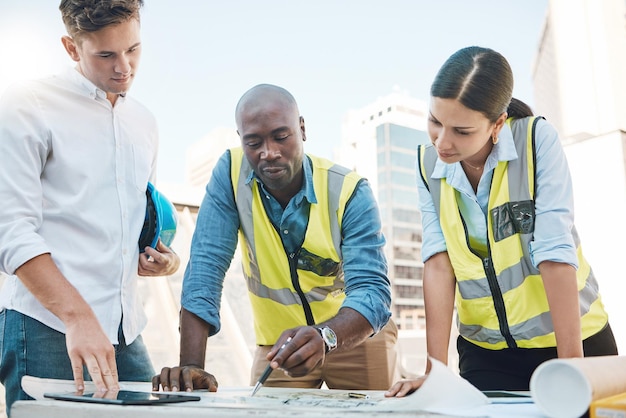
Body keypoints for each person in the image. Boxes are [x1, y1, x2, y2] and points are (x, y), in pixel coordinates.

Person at [386, 46, 618, 397]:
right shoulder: (426, 163)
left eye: (461, 131)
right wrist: (436, 374)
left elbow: (555, 250)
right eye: (435, 121)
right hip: (487, 353)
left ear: (497, 124)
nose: (442, 142)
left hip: (573, 344)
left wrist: (574, 367)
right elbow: (438, 263)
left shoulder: (536, 139)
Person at [153, 83, 397, 393]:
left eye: (281, 137)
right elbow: (206, 266)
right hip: (279, 347)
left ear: (302, 128)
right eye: (253, 142)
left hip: (353, 337)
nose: (269, 153)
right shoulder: (230, 173)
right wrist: (191, 366)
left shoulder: (349, 190)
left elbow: (372, 291)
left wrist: (326, 337)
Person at [0, 0, 180, 413]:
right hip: (47, 325)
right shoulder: (28, 103)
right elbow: (10, 230)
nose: (125, 67)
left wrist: (159, 261)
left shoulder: (145, 123)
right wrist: (77, 317)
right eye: (106, 55)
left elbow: (137, 224)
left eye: (133, 49)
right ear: (70, 47)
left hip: (125, 331)